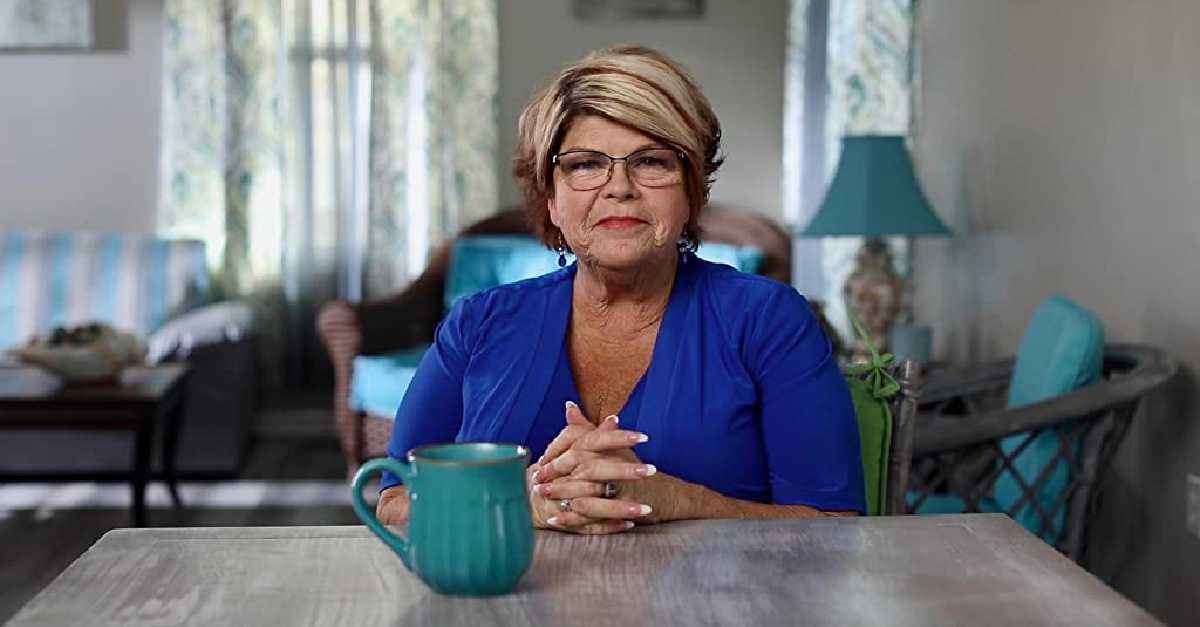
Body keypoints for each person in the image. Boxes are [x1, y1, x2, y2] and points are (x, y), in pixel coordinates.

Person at [376, 45, 864, 534]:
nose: (619, 187)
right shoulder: (478, 322)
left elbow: (836, 523)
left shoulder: (769, 319)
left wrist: (675, 499)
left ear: (692, 191)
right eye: (586, 164)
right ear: (550, 197)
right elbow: (394, 498)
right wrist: (512, 500)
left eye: (651, 161)